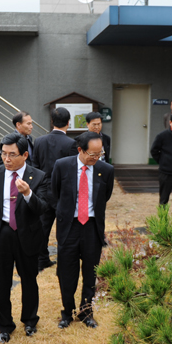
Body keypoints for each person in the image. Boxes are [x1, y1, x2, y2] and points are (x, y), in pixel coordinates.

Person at [0, 132, 50, 343]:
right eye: (3, 154)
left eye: (12, 154)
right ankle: (4, 325)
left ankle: (30, 320)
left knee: (29, 280)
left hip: (27, 234)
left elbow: (44, 208)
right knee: (1, 282)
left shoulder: (38, 176)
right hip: (1, 234)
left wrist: (29, 194)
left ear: (25, 155)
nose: (7, 159)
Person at [51, 132, 114, 329]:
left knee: (90, 272)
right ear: (80, 150)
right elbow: (55, 193)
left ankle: (86, 312)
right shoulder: (62, 166)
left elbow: (106, 196)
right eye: (92, 154)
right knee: (67, 273)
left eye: (100, 154)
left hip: (92, 228)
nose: (96, 158)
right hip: (69, 226)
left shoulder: (106, 169)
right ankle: (67, 312)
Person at [31, 107, 78, 272]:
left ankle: (41, 259)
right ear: (68, 122)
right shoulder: (71, 144)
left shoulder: (39, 141)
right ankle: (64, 259)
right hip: (62, 192)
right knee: (65, 227)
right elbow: (71, 171)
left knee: (43, 227)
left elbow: (35, 167)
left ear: (52, 122)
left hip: (43, 189)